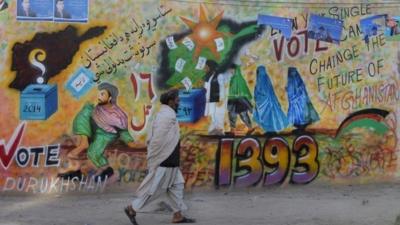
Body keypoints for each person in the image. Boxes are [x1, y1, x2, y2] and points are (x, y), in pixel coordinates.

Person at [124, 89, 195, 225]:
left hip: (171, 161)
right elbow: (156, 140)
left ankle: (177, 216)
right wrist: (157, 160)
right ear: (170, 101)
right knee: (155, 190)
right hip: (165, 161)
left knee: (177, 185)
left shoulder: (168, 114)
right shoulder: (165, 116)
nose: (179, 101)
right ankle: (132, 208)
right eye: (177, 99)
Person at [58, 82, 144, 181]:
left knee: (93, 152)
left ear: (110, 98)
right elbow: (91, 117)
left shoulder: (117, 115)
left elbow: (122, 129)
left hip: (106, 134)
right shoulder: (98, 109)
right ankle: (81, 152)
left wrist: (130, 142)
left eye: (102, 94)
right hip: (95, 129)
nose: (99, 96)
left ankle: (105, 169)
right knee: (85, 112)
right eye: (99, 93)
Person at [253, 66, 288, 135]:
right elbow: (269, 91)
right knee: (271, 116)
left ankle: (270, 131)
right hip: (269, 102)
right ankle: (270, 130)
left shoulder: (261, 79)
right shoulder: (266, 78)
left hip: (266, 102)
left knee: (268, 116)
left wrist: (257, 93)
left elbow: (261, 92)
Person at [286, 67, 319, 132]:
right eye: (292, 73)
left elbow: (302, 92)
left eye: (294, 73)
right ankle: (300, 126)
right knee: (297, 114)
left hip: (300, 101)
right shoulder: (291, 81)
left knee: (302, 113)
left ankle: (302, 126)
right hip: (295, 102)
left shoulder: (299, 82)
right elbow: (291, 92)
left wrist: (297, 97)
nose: (293, 74)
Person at [203, 60, 232, 135]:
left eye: (206, 67)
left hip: (219, 100)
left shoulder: (219, 76)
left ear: (210, 67)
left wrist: (221, 99)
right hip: (211, 99)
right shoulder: (209, 76)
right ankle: (214, 130)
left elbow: (222, 88)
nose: (204, 69)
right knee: (213, 115)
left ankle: (220, 131)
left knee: (218, 115)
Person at [227, 64, 255, 135]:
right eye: (230, 70)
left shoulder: (239, 79)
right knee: (232, 115)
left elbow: (244, 90)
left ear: (235, 70)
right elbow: (231, 90)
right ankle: (232, 130)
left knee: (243, 115)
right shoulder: (233, 78)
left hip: (240, 100)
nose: (230, 71)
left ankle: (250, 128)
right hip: (233, 100)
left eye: (232, 69)